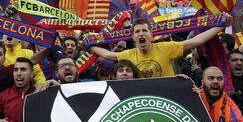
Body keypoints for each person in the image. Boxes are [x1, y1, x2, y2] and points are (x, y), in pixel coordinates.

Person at [90, 17, 228, 78]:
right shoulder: (129, 54)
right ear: (133, 37)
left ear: (151, 34)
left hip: (166, 98)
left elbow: (195, 41)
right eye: (137, 31)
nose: (141, 34)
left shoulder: (165, 48)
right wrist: (88, 44)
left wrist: (220, 26)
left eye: (144, 30)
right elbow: (108, 55)